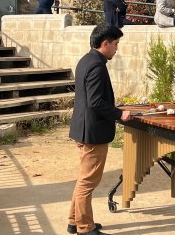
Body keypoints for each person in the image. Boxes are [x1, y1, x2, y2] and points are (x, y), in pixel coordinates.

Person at [67, 24, 131, 235]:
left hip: (84, 128)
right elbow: (95, 102)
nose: (116, 48)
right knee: (88, 181)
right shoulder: (97, 65)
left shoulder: (86, 60)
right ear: (105, 43)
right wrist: (118, 113)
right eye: (115, 44)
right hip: (92, 132)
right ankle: (85, 228)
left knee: (84, 178)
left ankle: (74, 221)